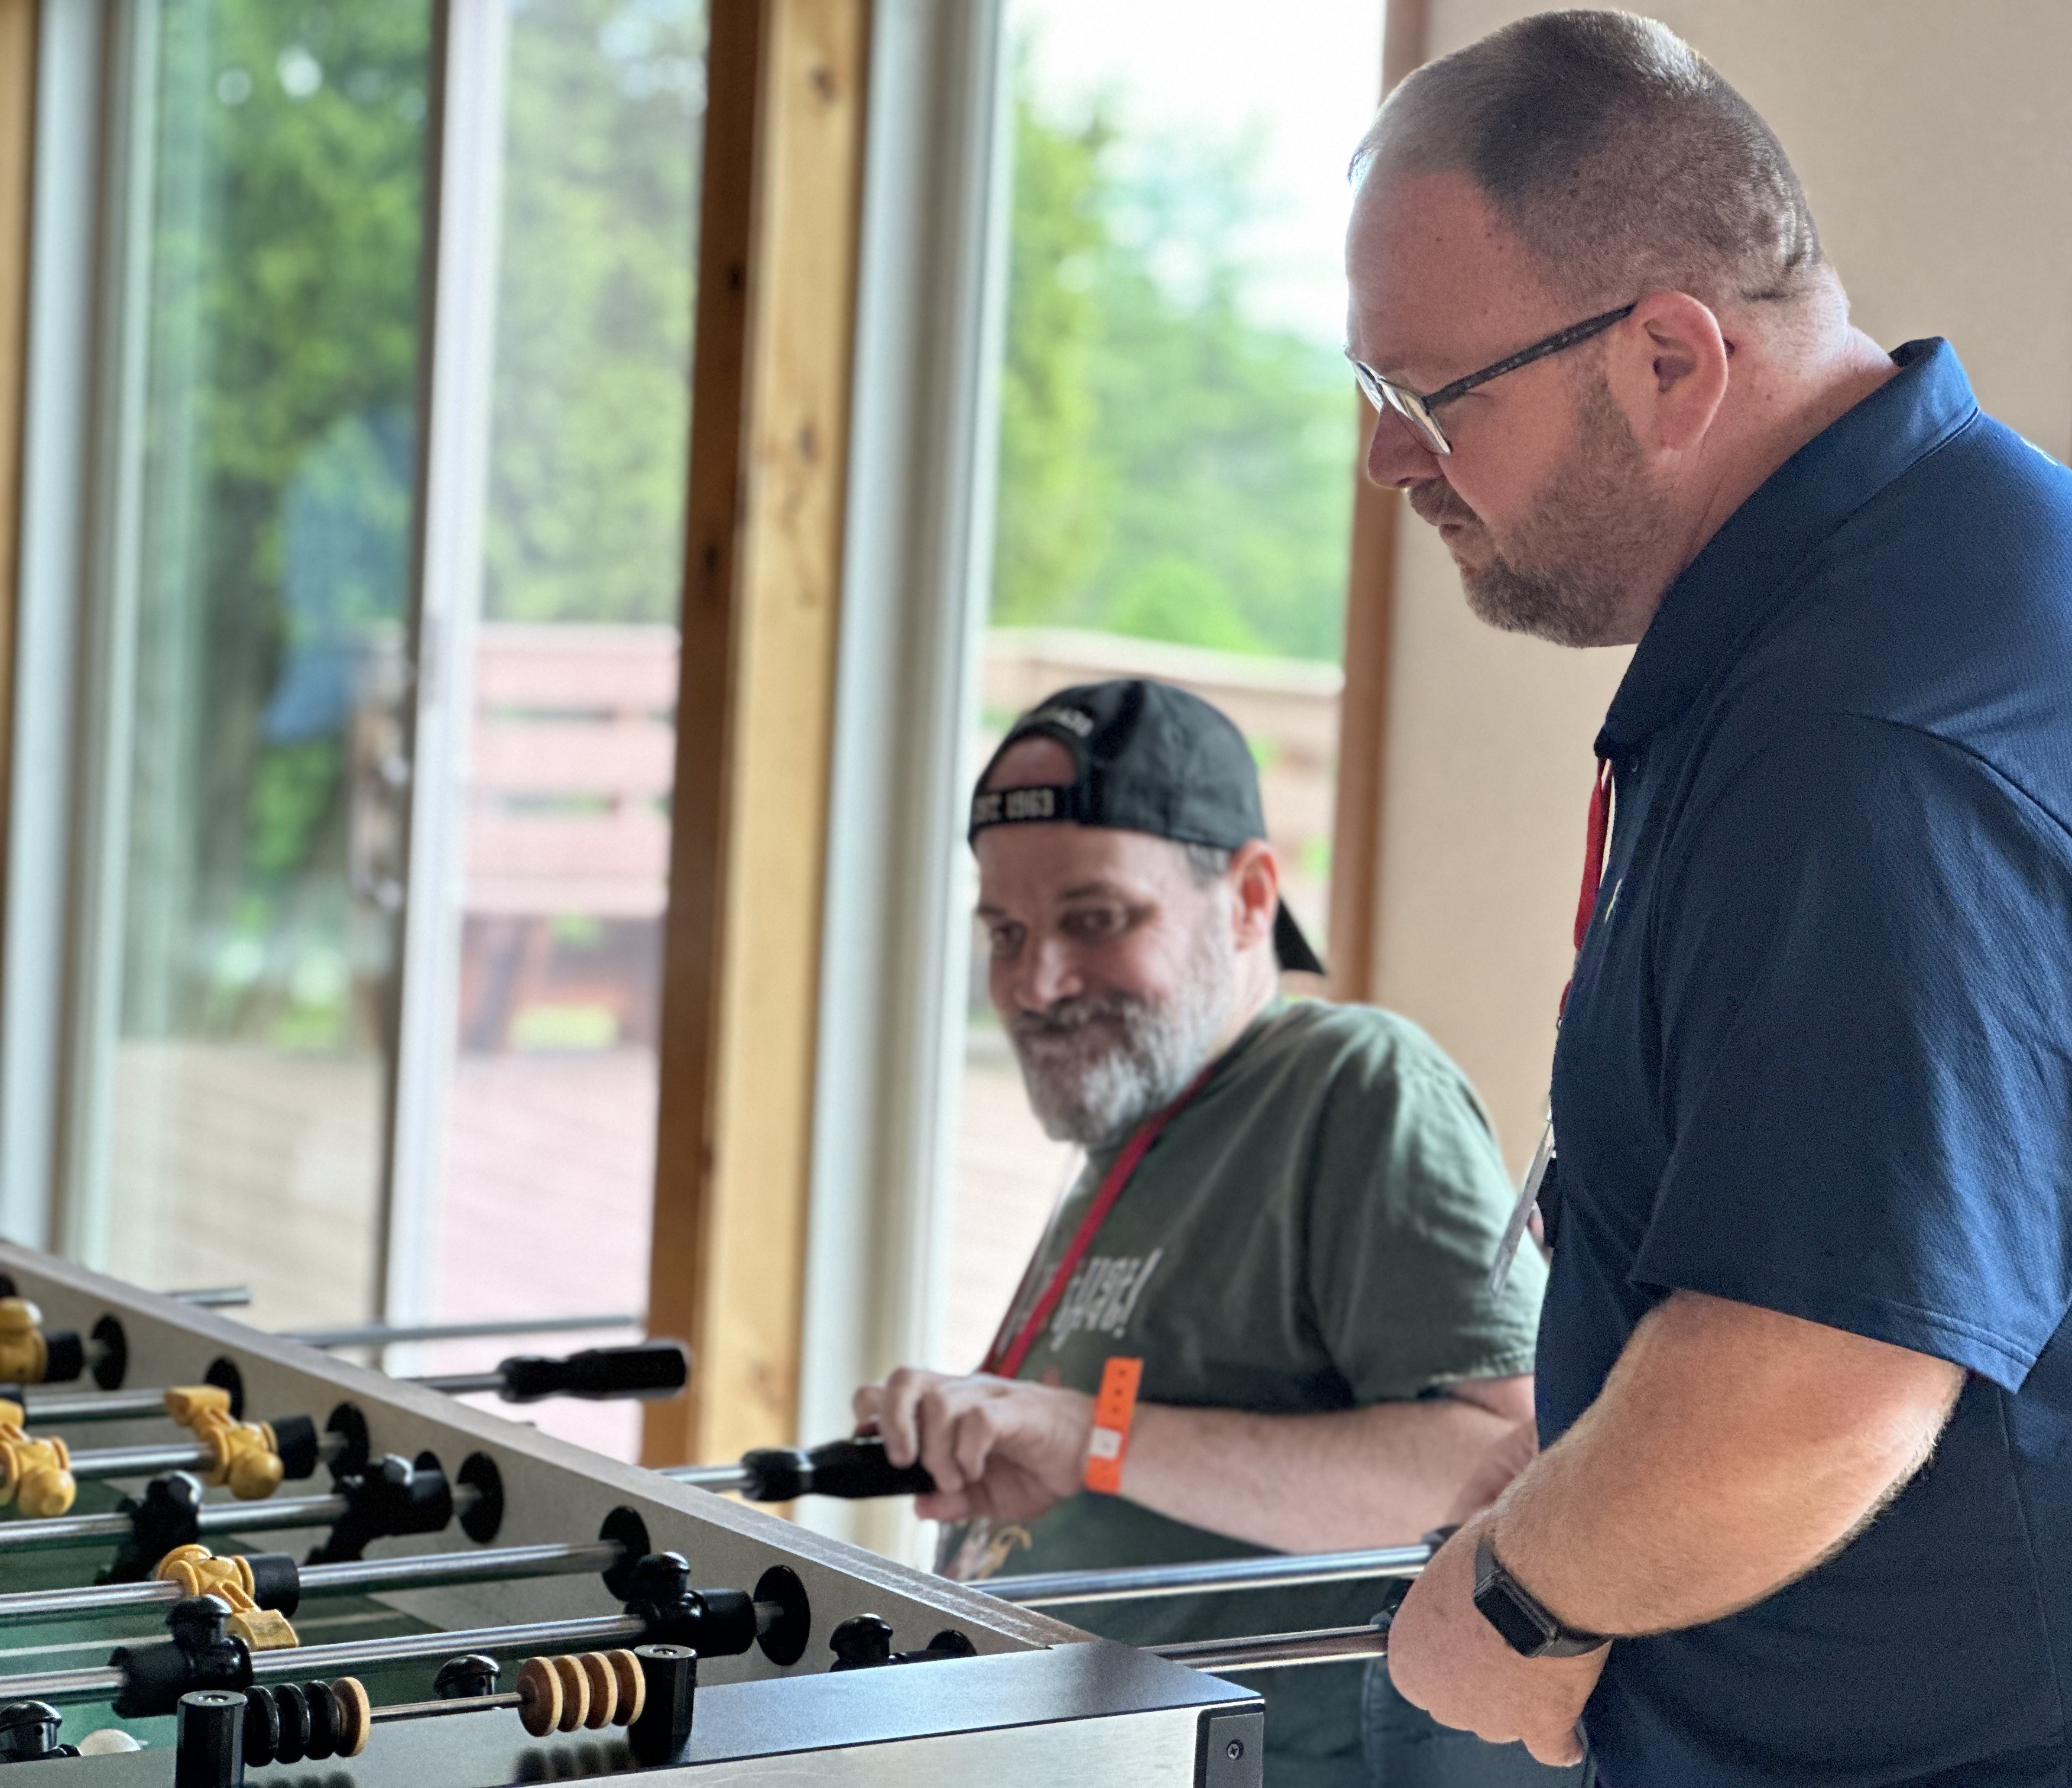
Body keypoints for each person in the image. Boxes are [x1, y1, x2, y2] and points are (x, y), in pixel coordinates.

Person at [1345, 12, 2072, 1787]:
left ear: (1669, 359)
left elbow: (1820, 1382)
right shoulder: (1932, 571)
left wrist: (1512, 1604)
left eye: (1426, 403)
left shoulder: (1865, 738)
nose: (1390, 466)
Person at [854, 678, 1572, 1788]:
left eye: (1097, 919)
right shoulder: (1141, 1115)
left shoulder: (1350, 1082)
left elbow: (1498, 1469)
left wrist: (1089, 1436)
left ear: (1247, 897)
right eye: (1005, 933)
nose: (1037, 983)